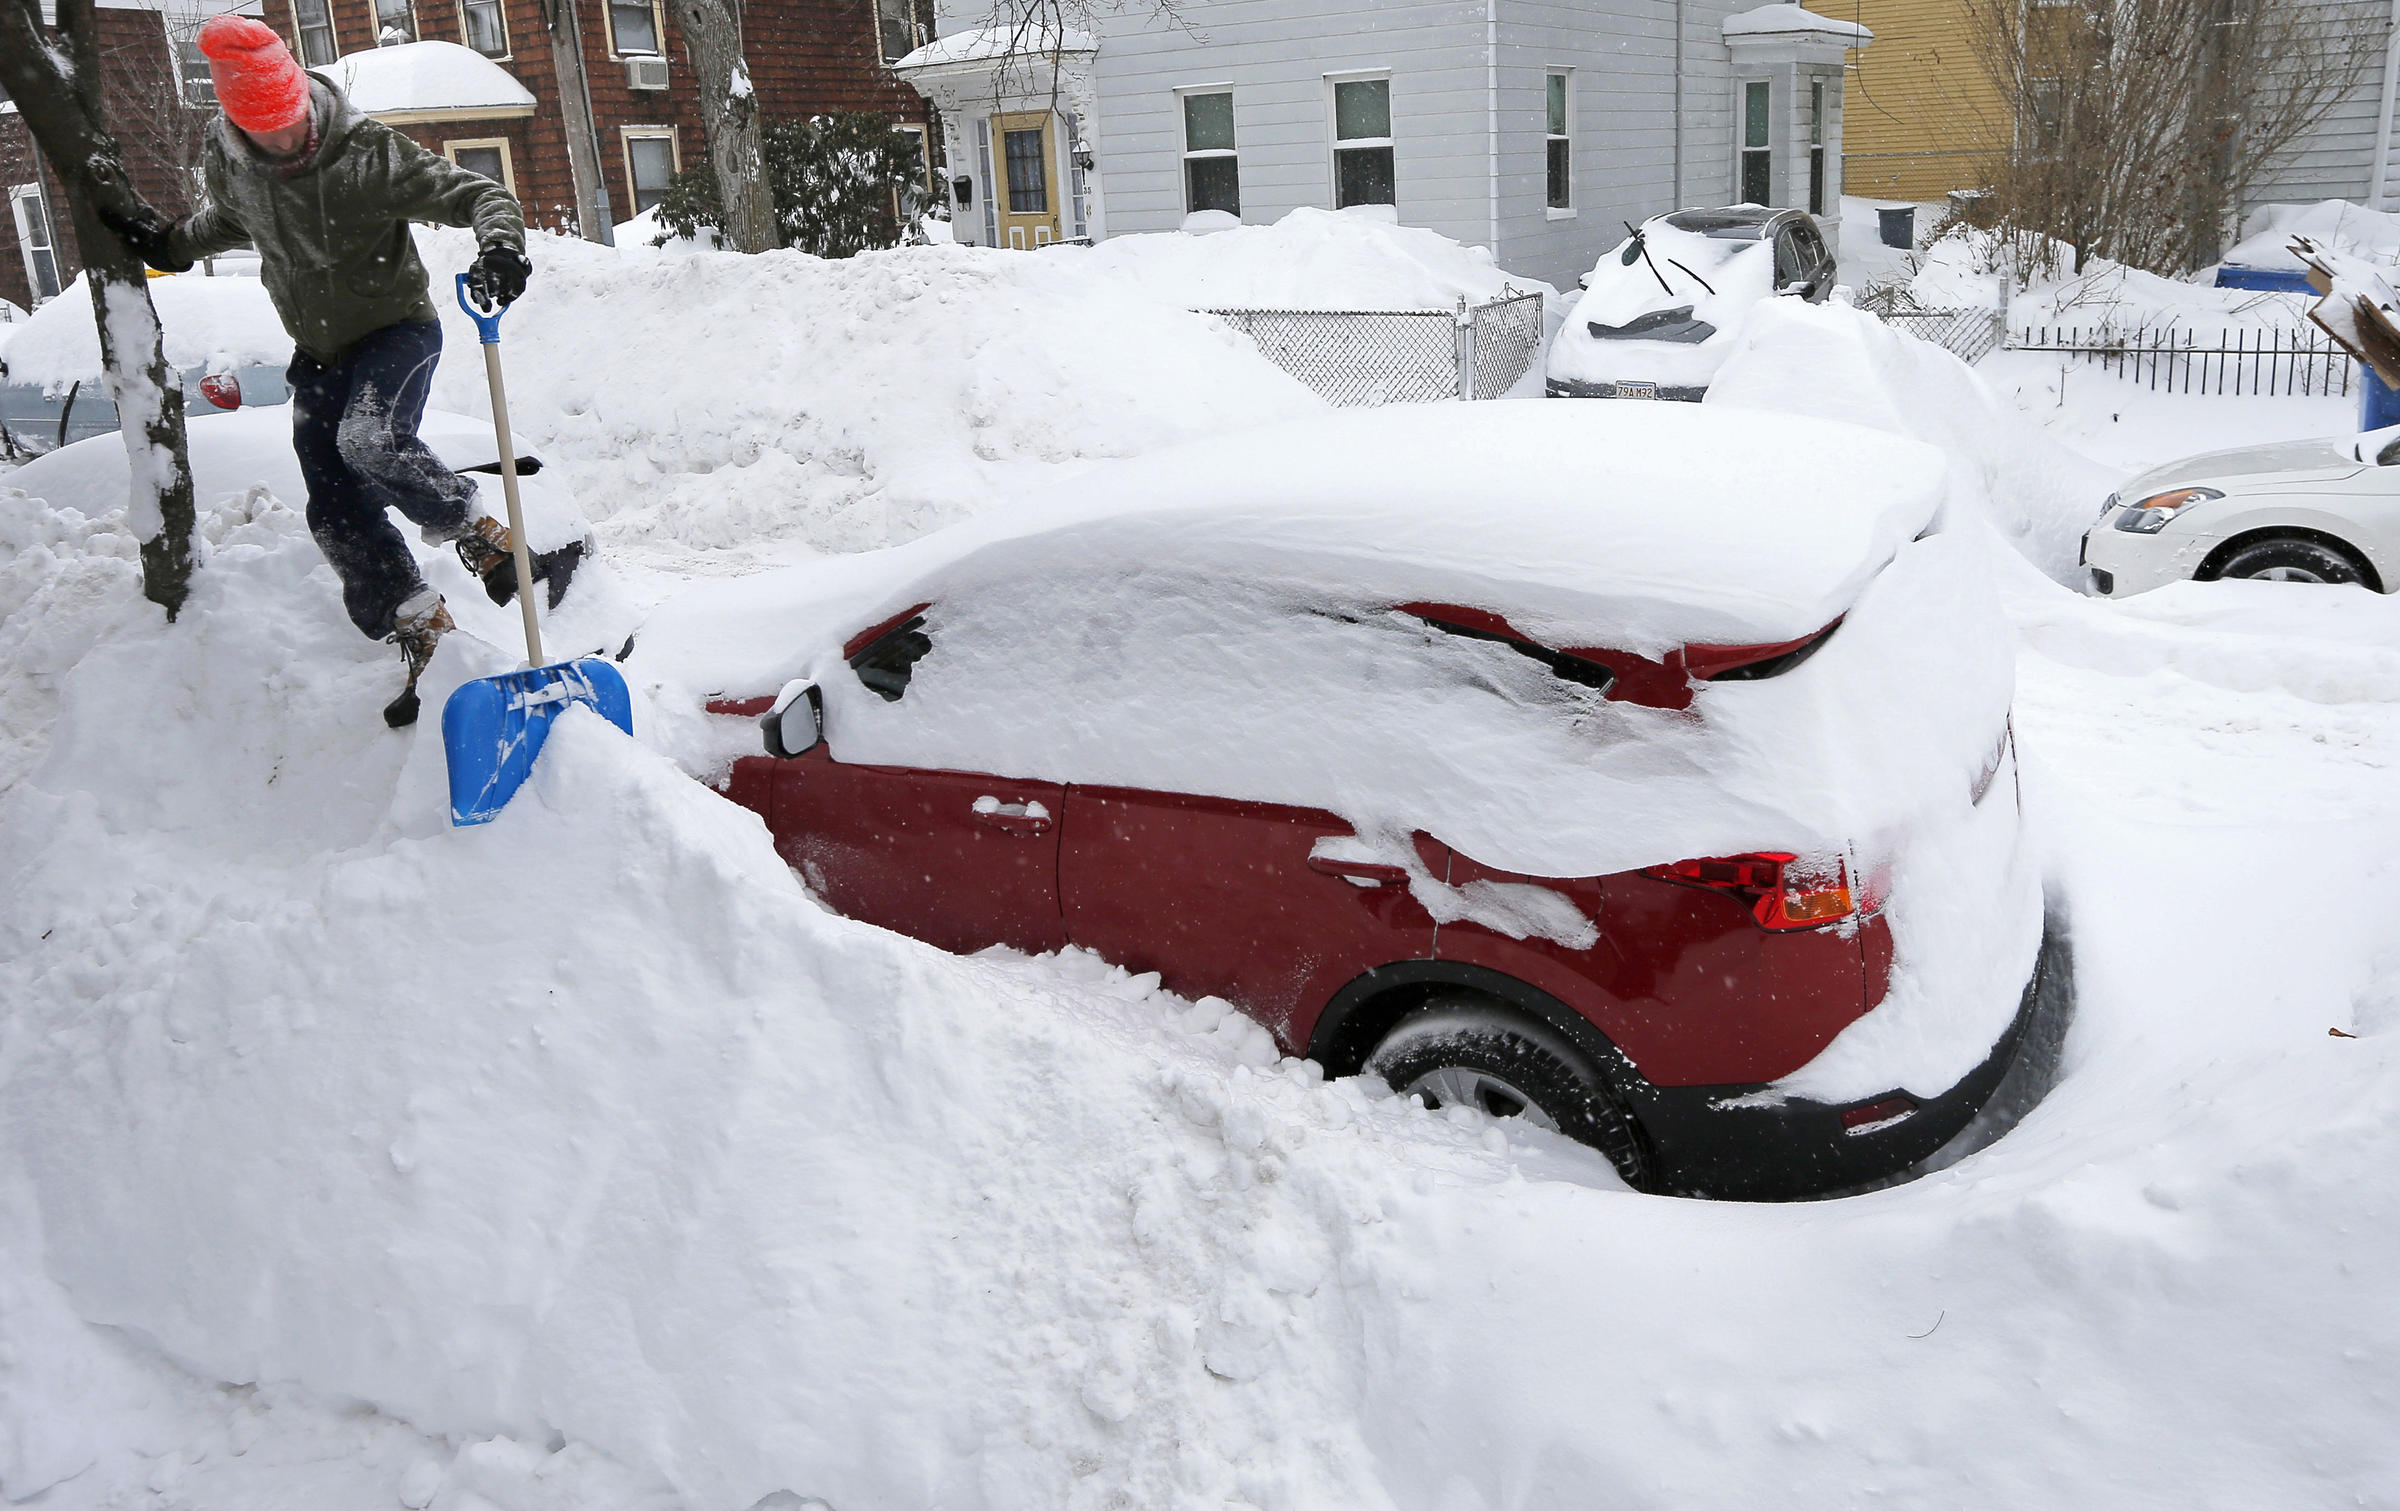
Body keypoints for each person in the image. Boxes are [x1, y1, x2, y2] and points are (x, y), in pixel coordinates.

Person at [107, 14, 545, 727]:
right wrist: (173, 243)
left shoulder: (366, 154)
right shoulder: (235, 159)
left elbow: (478, 194)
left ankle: (478, 533)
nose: (286, 144)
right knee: (333, 509)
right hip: (318, 353)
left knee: (369, 439)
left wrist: (502, 247)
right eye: (266, 132)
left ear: (303, 102)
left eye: (291, 124)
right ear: (239, 125)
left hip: (396, 331)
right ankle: (422, 630)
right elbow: (231, 217)